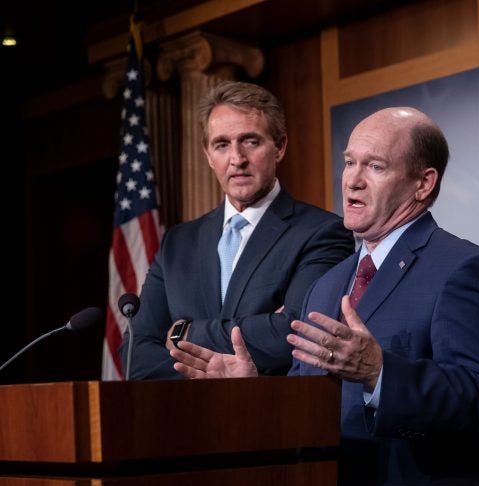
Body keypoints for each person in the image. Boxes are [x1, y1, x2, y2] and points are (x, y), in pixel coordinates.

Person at [171, 107, 479, 486]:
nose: (352, 179)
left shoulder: (464, 269)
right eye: (350, 162)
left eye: (375, 166)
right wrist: (254, 393)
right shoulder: (328, 284)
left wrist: (381, 372)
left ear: (423, 183)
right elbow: (310, 402)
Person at [120, 81, 354, 379]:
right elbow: (135, 354)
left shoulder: (322, 232)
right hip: (185, 418)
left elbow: (298, 336)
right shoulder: (177, 243)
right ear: (208, 155)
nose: (237, 159)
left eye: (251, 141)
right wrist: (215, 369)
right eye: (222, 144)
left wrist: (183, 333)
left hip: (272, 416)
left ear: (279, 147)